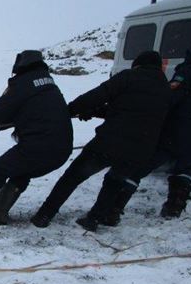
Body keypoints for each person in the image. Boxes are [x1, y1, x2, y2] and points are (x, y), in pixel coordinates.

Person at [31, 50, 172, 231]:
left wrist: (69, 111)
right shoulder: (166, 89)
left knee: (73, 176)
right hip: (140, 149)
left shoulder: (129, 77)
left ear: (137, 64)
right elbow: (132, 112)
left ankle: (45, 215)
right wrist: (95, 112)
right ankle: (94, 219)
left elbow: (97, 95)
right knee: (114, 182)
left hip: (110, 142)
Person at [103, 45, 191, 222]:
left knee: (139, 166)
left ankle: (112, 209)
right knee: (183, 167)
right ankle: (174, 207)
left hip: (176, 131)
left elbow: (169, 97)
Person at [0, 50, 73, 225]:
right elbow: (27, 113)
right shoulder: (49, 84)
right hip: (62, 150)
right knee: (21, 171)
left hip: (39, 147)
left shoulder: (24, 84)